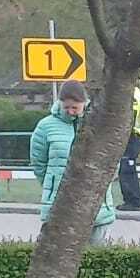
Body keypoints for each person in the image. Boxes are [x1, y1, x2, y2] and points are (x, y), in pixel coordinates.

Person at [29, 80, 116, 244]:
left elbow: (111, 160)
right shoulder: (45, 127)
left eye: (75, 108)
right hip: (59, 203)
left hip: (96, 203)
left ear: (84, 104)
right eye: (66, 107)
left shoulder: (98, 125)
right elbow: (38, 163)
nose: (70, 112)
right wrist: (54, 183)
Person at [119, 84, 140, 211]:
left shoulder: (130, 93)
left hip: (132, 135)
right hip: (134, 134)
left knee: (127, 168)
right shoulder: (136, 92)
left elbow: (131, 114)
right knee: (127, 168)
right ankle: (132, 200)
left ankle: (134, 201)